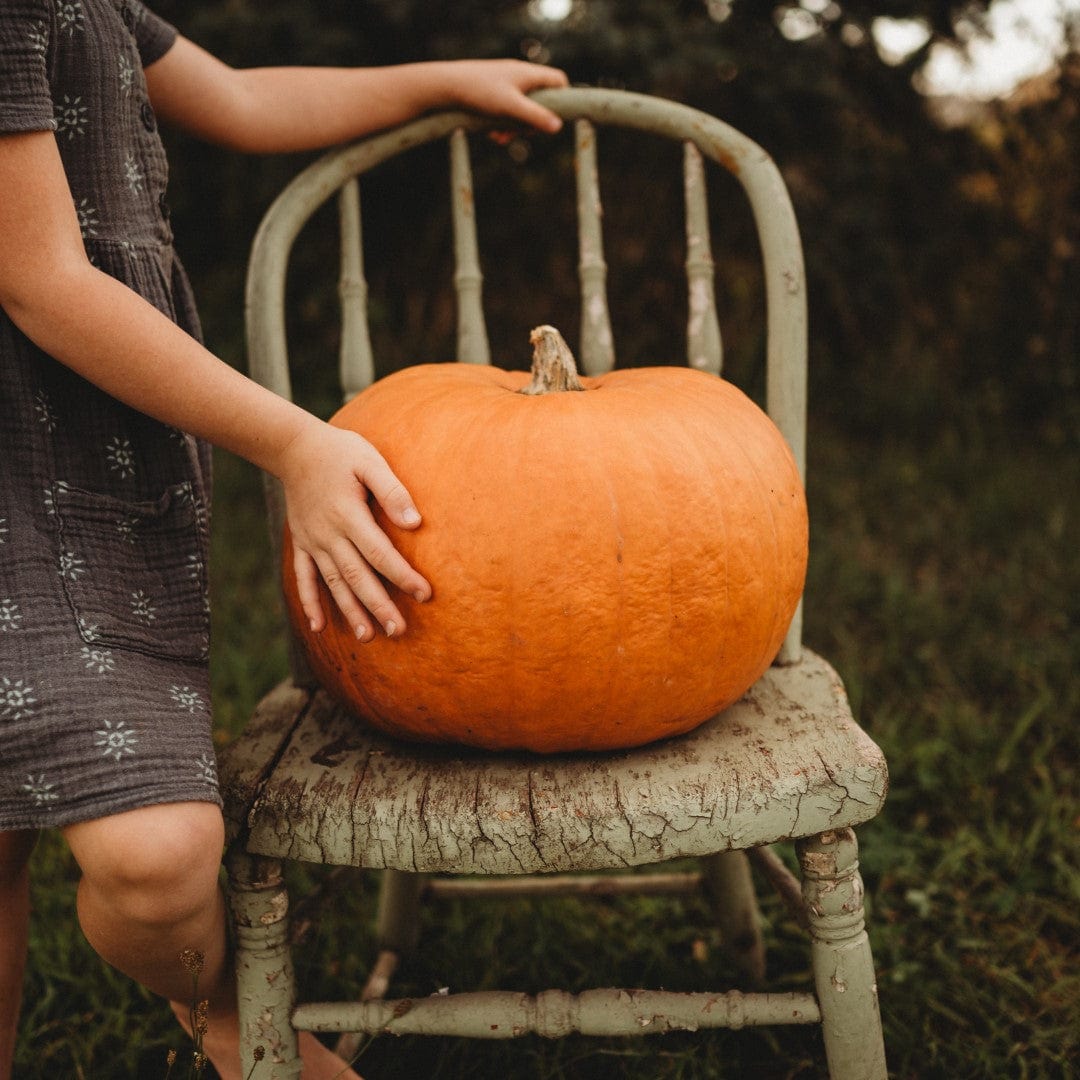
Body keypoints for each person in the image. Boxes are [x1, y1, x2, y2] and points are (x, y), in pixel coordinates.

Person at [0, 2, 567, 1076]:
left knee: (154, 855)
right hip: (25, 431)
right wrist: (296, 444)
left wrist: (438, 77)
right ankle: (225, 1017)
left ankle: (213, 1002)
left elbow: (242, 96)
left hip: (78, 457)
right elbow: (40, 279)